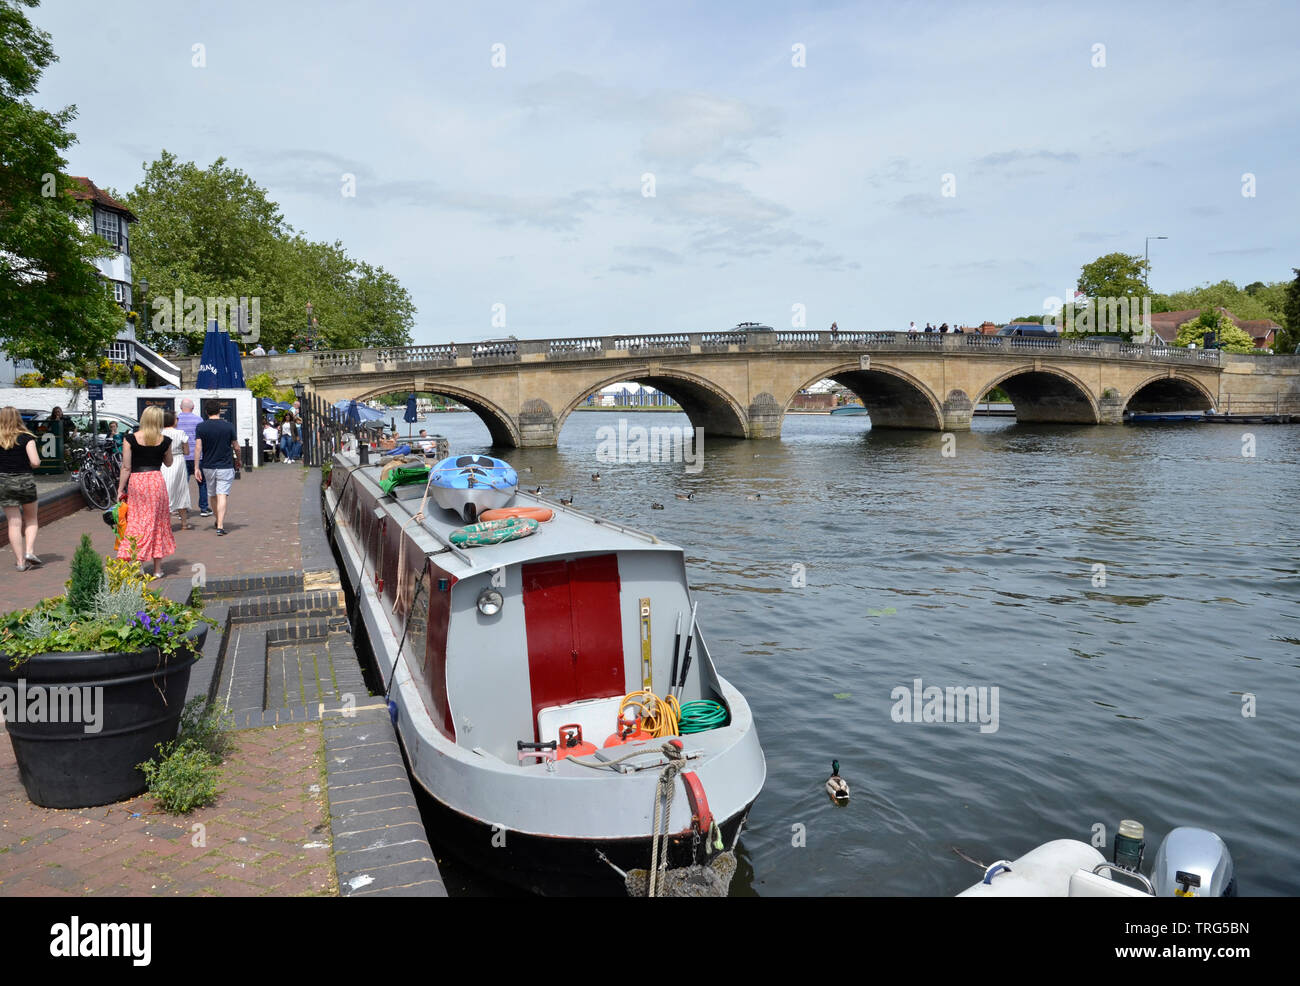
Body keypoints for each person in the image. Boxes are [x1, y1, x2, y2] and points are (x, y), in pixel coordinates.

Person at [115, 406, 175, 577]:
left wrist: (120, 489)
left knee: (137, 521)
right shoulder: (165, 440)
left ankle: (137, 562)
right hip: (156, 481)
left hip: (137, 481)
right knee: (158, 522)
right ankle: (157, 569)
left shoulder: (129, 439)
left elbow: (126, 467)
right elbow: (169, 463)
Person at [1, 406, 42, 571]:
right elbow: (35, 462)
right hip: (24, 480)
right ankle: (29, 551)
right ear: (18, 419)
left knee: (13, 522)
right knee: (31, 519)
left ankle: (20, 562)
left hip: (3, 482)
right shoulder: (26, 438)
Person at [194, 400, 239, 535]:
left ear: (206, 412)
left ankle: (217, 519)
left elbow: (198, 447)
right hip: (225, 465)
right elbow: (236, 446)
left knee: (212, 495)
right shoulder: (229, 426)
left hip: (208, 465)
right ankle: (220, 525)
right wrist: (239, 460)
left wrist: (196, 467)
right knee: (222, 494)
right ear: (220, 411)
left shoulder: (201, 427)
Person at [161, 410, 192, 530]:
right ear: (173, 420)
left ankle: (164, 524)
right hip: (178, 461)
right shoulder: (180, 433)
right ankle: (184, 523)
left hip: (163, 463)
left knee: (165, 490)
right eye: (176, 418)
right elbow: (187, 451)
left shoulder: (159, 433)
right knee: (181, 490)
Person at [176, 398, 205, 517]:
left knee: (182, 484)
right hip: (197, 455)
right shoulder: (199, 419)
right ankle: (204, 508)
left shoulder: (176, 420)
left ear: (180, 407)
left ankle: (182, 508)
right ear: (192, 408)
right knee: (202, 483)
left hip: (182, 456)